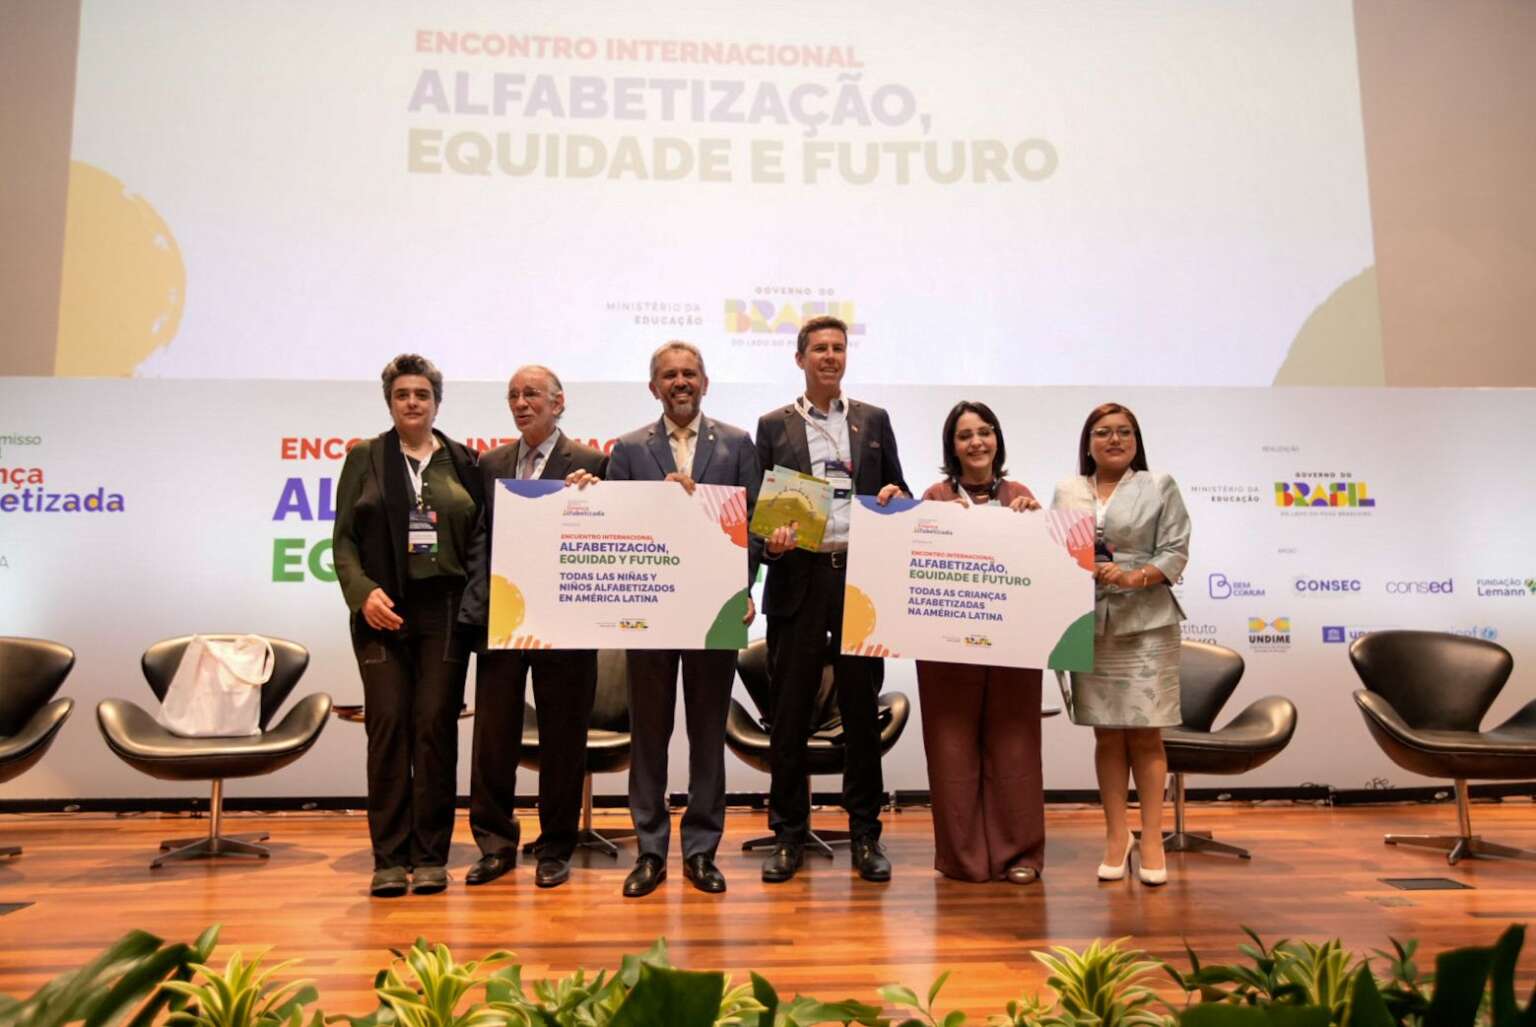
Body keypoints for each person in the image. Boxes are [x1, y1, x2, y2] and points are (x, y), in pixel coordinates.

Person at [755, 315, 910, 883]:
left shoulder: (873, 421)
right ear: (800, 359)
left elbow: (900, 491)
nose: (830, 356)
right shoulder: (774, 425)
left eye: (838, 348)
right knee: (789, 715)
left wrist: (895, 495)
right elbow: (759, 512)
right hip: (799, 579)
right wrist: (769, 545)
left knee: (861, 717)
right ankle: (788, 836)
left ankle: (866, 835)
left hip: (859, 579)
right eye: (819, 348)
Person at [606, 341, 762, 897]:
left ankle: (701, 851)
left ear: (705, 382)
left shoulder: (739, 444)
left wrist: (746, 589)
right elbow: (616, 529)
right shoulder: (626, 450)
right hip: (649, 613)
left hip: (715, 614)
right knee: (648, 734)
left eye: (689, 373)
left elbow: (755, 527)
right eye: (669, 375)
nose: (680, 382)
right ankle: (649, 852)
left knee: (705, 736)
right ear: (654, 387)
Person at [333, 354, 484, 898]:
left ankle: (430, 857)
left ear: (436, 402)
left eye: (422, 394)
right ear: (390, 403)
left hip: (445, 612)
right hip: (381, 610)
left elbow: (484, 535)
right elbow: (343, 541)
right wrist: (362, 593)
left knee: (434, 729)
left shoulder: (463, 461)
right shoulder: (366, 459)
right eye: (402, 395)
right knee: (390, 726)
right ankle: (389, 858)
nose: (413, 402)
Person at [458, 365, 607, 890]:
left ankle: (556, 845)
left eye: (533, 395)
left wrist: (592, 495)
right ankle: (495, 843)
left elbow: (607, 537)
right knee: (493, 737)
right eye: (514, 396)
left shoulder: (591, 462)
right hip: (505, 616)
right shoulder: (491, 462)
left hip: (567, 621)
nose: (522, 403)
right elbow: (479, 539)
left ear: (558, 402)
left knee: (563, 739)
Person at [1050, 402, 1190, 887]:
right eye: (1103, 432)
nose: (1114, 440)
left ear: (1136, 440)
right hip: (1086, 624)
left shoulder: (1158, 486)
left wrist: (1134, 576)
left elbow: (1175, 551)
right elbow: (1052, 550)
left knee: (1147, 733)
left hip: (1146, 624)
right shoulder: (1067, 490)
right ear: (1088, 442)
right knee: (1106, 734)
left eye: (1124, 432)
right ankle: (1117, 835)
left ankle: (1151, 838)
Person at [914, 401, 1046, 885]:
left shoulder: (1021, 495)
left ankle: (1021, 855)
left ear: (997, 440)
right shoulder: (933, 496)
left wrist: (1036, 520)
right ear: (952, 446)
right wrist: (926, 520)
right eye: (965, 435)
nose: (976, 443)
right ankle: (963, 858)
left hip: (1013, 645)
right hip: (947, 648)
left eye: (984, 432)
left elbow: (1043, 564)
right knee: (951, 748)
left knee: (1015, 745)